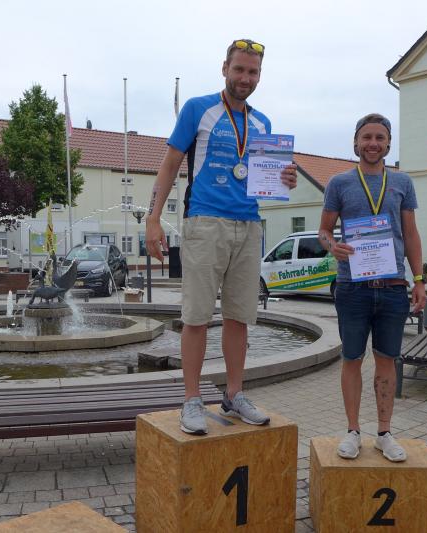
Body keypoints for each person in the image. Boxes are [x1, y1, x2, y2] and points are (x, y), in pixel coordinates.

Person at [145, 39, 298, 435]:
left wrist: (285, 178)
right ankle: (191, 400)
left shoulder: (262, 124)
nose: (245, 78)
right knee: (196, 317)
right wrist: (153, 219)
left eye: (253, 72)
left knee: (239, 317)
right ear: (225, 69)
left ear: (259, 76)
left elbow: (265, 179)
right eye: (239, 69)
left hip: (249, 225)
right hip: (205, 222)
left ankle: (234, 394)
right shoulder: (198, 109)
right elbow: (169, 165)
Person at [318, 113, 427, 462]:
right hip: (353, 287)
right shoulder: (339, 183)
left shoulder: (402, 182)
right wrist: (332, 246)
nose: (373, 144)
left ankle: (383, 433)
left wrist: (419, 280)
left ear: (388, 143)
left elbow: (410, 233)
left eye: (380, 137)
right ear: (356, 142)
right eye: (367, 137)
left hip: (393, 287)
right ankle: (352, 431)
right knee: (352, 359)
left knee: (386, 361)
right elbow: (324, 231)